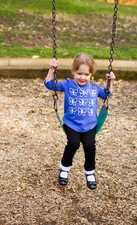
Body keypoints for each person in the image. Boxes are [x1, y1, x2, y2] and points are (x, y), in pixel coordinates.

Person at [44, 53, 116, 190]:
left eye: (87, 75)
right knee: (73, 143)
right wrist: (51, 70)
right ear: (73, 72)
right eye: (79, 73)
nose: (83, 77)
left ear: (91, 75)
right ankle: (64, 169)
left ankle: (90, 172)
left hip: (89, 125)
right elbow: (49, 85)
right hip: (71, 123)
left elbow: (107, 94)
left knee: (90, 147)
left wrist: (110, 82)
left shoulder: (94, 87)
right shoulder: (68, 84)